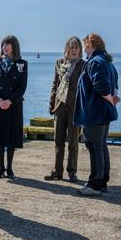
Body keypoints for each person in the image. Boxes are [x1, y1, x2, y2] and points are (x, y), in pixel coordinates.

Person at [74, 33, 120, 196]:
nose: (84, 48)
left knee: (94, 147)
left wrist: (110, 98)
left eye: (85, 45)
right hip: (104, 112)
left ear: (91, 45)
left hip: (94, 112)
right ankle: (102, 182)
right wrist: (113, 98)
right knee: (101, 146)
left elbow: (102, 87)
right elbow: (114, 85)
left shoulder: (95, 62)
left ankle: (95, 184)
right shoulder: (107, 62)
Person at [0, 35, 28, 179]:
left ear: (14, 46)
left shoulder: (22, 63)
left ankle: (10, 167)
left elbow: (22, 88)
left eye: (7, 44)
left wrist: (9, 101)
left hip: (14, 105)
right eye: (3, 44)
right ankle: (0, 167)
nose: (4, 47)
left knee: (12, 137)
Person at [45, 36, 84, 182]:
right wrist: (51, 104)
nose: (73, 50)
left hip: (75, 108)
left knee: (73, 142)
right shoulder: (59, 63)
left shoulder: (84, 65)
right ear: (66, 49)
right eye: (71, 47)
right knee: (58, 141)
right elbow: (55, 84)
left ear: (80, 50)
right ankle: (57, 171)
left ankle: (72, 171)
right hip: (59, 106)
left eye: (76, 47)